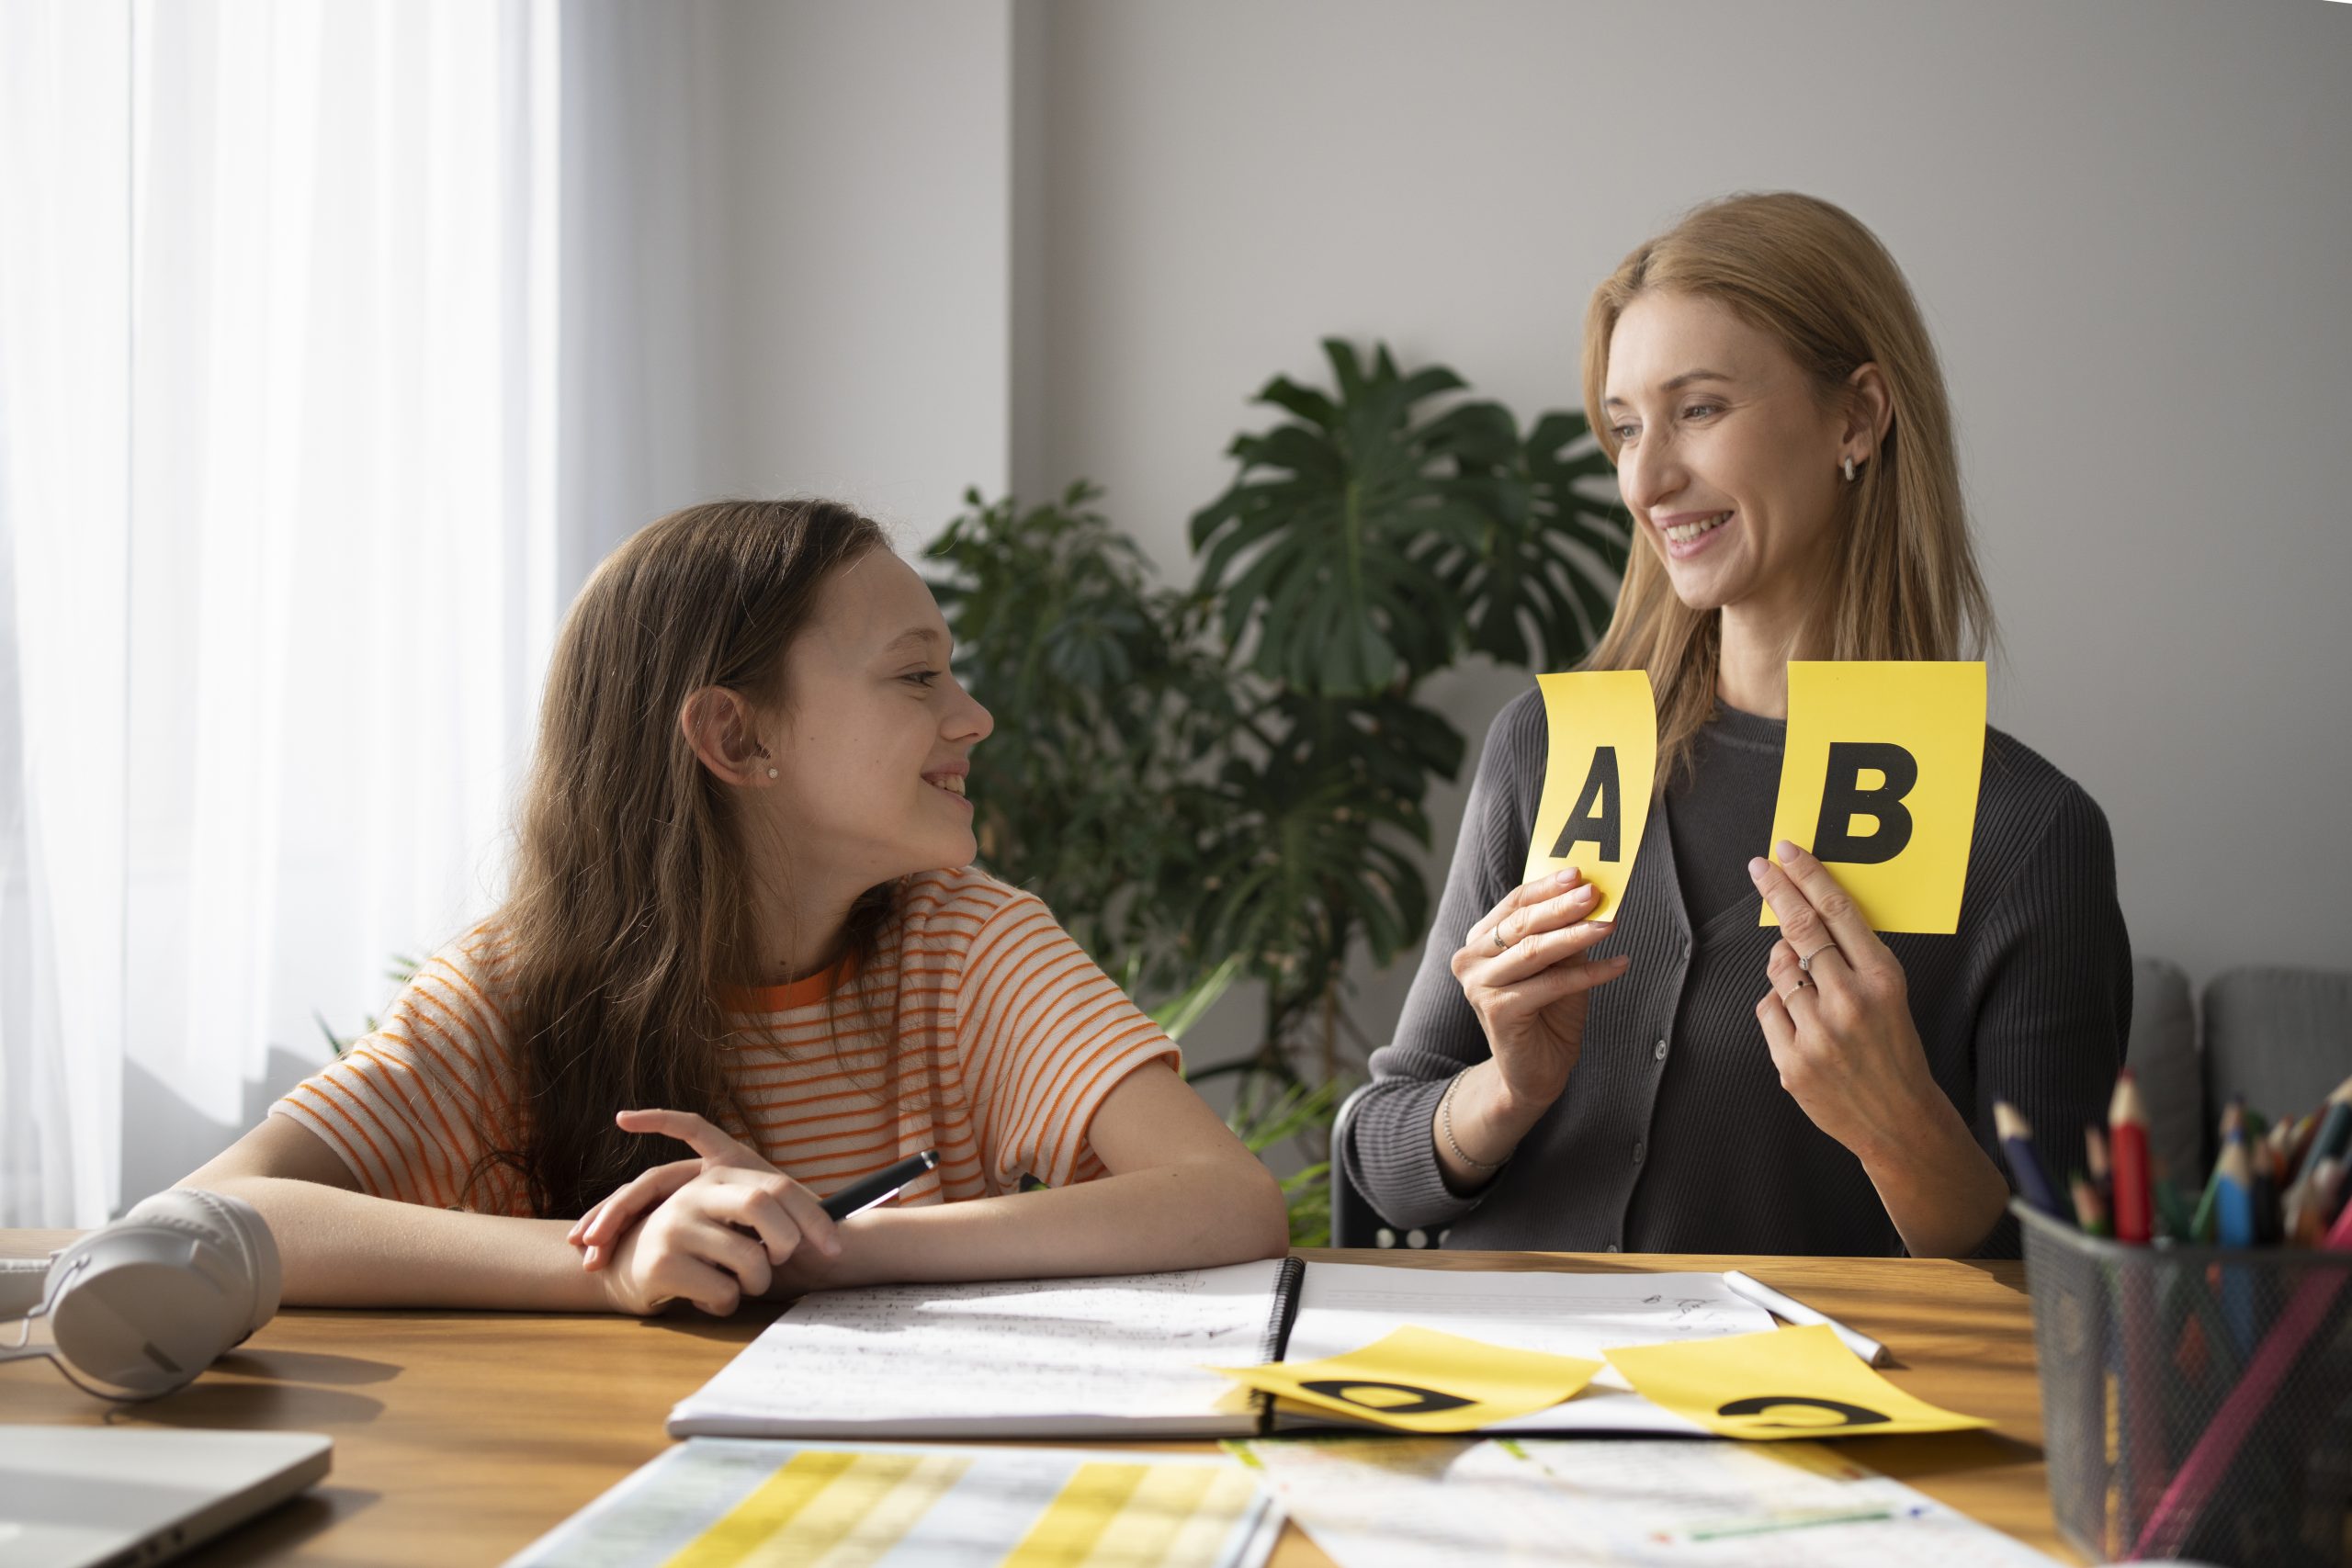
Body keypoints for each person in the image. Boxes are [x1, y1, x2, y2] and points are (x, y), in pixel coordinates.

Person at [187, 500, 1289, 1314]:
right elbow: (203, 1222)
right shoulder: (515, 987)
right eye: (917, 678)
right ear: (737, 738)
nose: (975, 717)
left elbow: (1227, 1201)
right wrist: (615, 1265)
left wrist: (827, 1247)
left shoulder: (969, 941)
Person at [1340, 192, 2129, 1258]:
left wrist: (1899, 1132)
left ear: (1855, 418)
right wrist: (1503, 1091)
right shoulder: (1551, 747)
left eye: (1697, 410)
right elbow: (1380, 1164)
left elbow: (2068, 1302)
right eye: (1623, 427)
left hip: (1794, 1422)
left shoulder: (2025, 834)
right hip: (1510, 1408)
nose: (1644, 478)